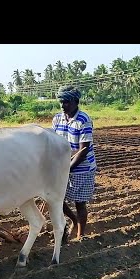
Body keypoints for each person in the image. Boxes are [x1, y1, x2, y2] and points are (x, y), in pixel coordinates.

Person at [51, 85, 97, 242]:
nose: (63, 106)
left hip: (82, 168)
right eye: (61, 102)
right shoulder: (57, 119)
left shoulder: (83, 120)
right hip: (63, 166)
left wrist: (67, 169)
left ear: (76, 102)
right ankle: (73, 220)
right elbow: (53, 143)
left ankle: (80, 235)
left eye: (67, 102)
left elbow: (83, 150)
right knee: (57, 200)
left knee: (80, 203)